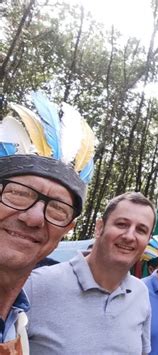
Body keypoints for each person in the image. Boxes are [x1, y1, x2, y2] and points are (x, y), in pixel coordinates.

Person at [0, 94, 95, 353]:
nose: (33, 218)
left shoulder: (18, 321)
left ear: (66, 230)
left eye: (57, 209)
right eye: (19, 193)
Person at [24, 192, 155, 354]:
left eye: (141, 230)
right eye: (121, 224)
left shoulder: (140, 294)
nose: (129, 236)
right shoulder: (36, 285)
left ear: (147, 242)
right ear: (99, 227)